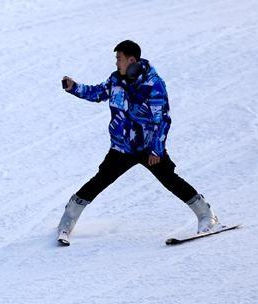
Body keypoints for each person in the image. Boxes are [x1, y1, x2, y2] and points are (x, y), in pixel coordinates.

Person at [57, 40, 220, 245]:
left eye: (119, 59)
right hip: (122, 147)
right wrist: (74, 87)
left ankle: (207, 216)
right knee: (99, 181)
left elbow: (162, 120)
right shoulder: (116, 79)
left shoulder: (153, 84)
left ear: (131, 59)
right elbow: (98, 93)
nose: (116, 63)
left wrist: (157, 150)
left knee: (170, 180)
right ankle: (66, 222)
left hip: (148, 148)